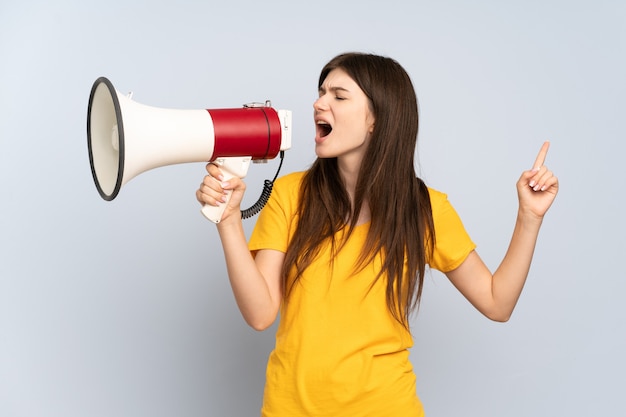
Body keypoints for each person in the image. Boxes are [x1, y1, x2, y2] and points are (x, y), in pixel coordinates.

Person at [196, 52, 558, 417]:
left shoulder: (423, 209)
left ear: (377, 119)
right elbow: (260, 315)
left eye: (338, 96)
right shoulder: (291, 195)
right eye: (321, 92)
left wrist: (529, 216)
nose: (318, 103)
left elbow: (498, 303)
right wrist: (228, 222)